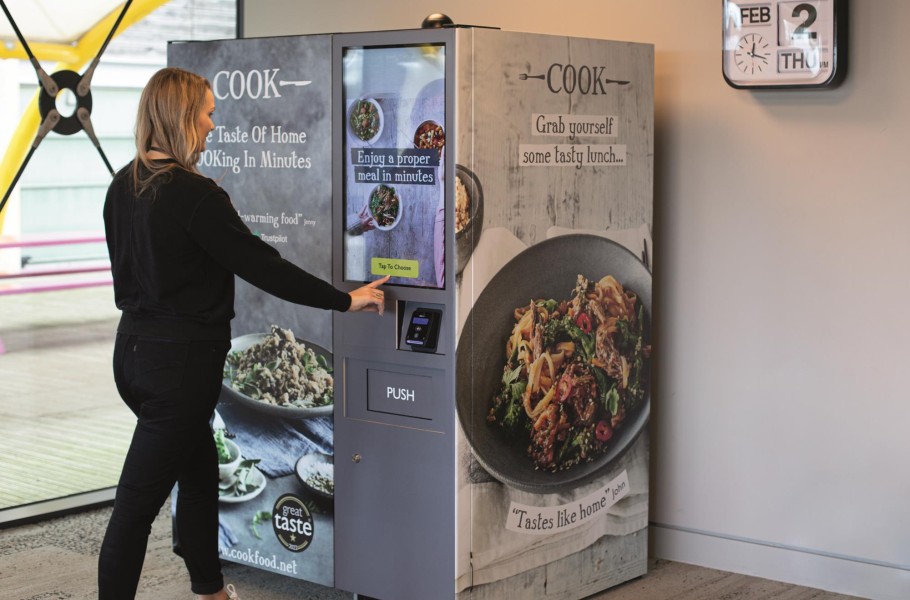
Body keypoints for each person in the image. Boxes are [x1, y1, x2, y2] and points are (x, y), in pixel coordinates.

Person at [98, 67, 388, 600]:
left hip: (133, 357)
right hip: (178, 371)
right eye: (207, 112)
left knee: (201, 466)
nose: (213, 124)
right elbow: (264, 266)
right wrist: (344, 300)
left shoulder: (123, 186)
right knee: (135, 507)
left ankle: (210, 590)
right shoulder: (197, 196)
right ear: (184, 116)